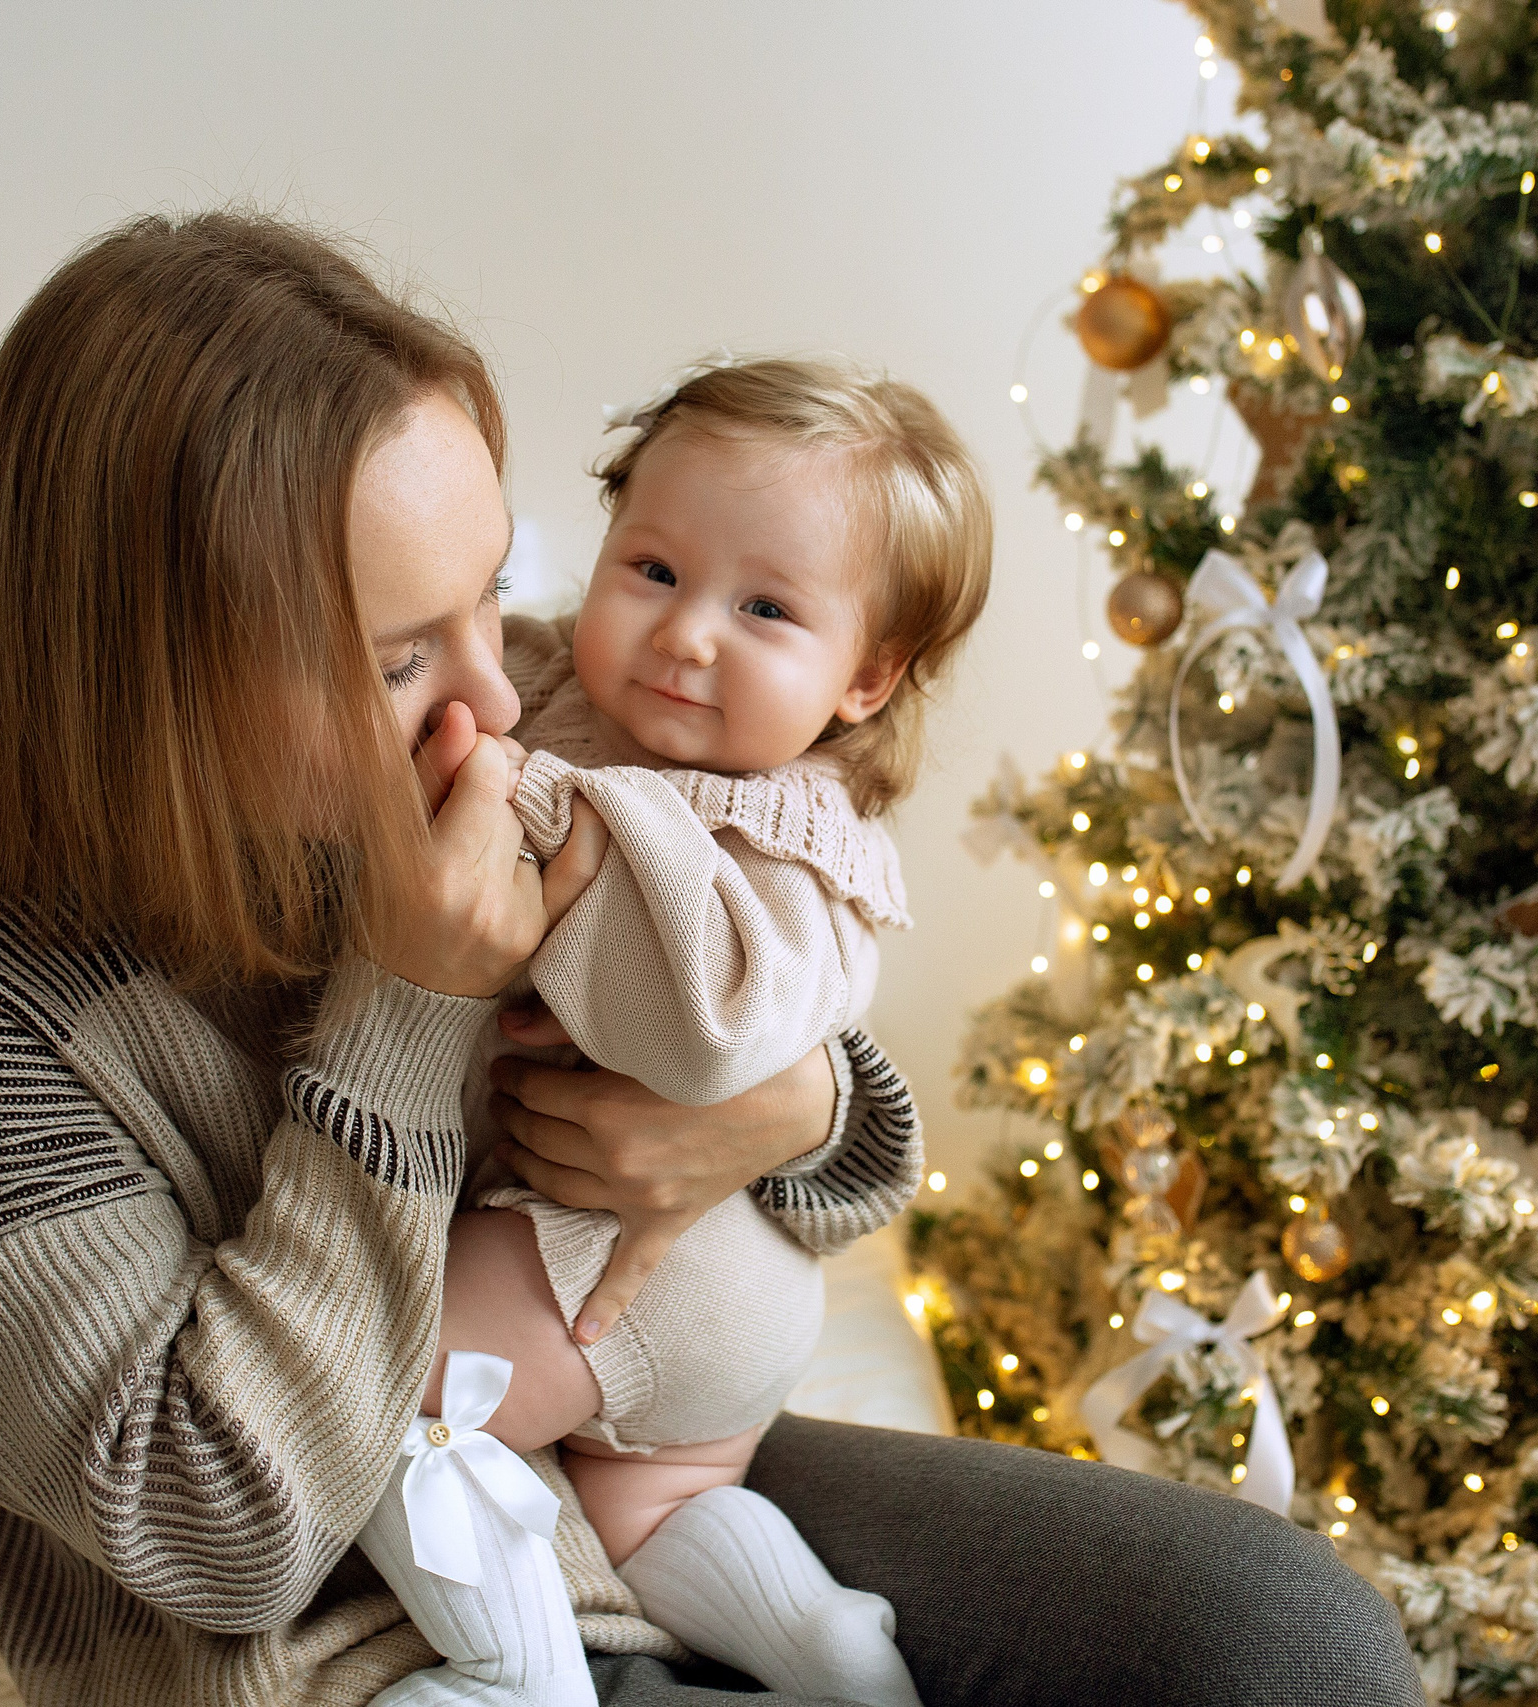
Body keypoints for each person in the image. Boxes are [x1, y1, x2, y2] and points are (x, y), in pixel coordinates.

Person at [0, 208, 1426, 1707]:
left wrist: (791, 1109)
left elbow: (804, 1106)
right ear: (150, 665)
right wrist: (411, 997)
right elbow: (223, 1531)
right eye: (389, 656)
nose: (499, 698)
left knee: (1278, 1637)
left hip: (621, 1492)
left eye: (496, 590)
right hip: (335, 1658)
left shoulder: (483, 726)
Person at [371, 355, 990, 1707]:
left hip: (640, 1256)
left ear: (867, 678)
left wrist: (553, 811)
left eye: (766, 607)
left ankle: (509, 1674)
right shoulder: (552, 691)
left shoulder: (798, 836)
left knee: (368, 1400)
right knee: (655, 1518)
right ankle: (831, 1652)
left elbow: (709, 1033)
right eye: (652, 569)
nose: (687, 633)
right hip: (675, 1308)